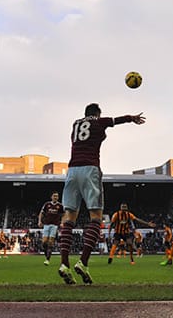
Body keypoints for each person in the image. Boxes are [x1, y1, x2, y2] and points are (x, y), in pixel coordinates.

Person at [58, 103, 145, 285]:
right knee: (96, 217)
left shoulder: (75, 123)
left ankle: (64, 264)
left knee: (69, 218)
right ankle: (83, 262)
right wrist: (132, 118)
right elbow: (116, 121)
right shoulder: (99, 121)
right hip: (90, 169)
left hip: (72, 170)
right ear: (97, 114)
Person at [38, 191, 65, 266]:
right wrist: (39, 221)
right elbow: (41, 213)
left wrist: (62, 222)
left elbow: (63, 215)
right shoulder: (47, 204)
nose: (55, 197)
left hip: (54, 225)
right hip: (46, 225)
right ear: (51, 197)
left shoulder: (60, 206)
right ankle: (47, 255)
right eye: (54, 196)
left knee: (50, 242)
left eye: (57, 196)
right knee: (44, 242)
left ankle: (47, 259)